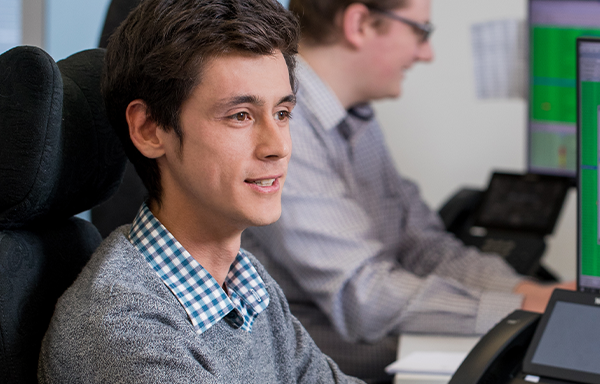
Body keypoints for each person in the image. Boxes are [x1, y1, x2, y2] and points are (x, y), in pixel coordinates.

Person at [241, 0, 574, 380]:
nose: (426, 53)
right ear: (359, 23)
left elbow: (423, 247)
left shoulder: (353, 115)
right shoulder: (287, 129)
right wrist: (523, 307)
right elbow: (363, 295)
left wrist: (530, 292)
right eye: (421, 32)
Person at [38, 0, 361, 382]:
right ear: (149, 129)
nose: (278, 147)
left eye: (282, 114)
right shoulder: (124, 331)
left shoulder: (245, 284)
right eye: (240, 116)